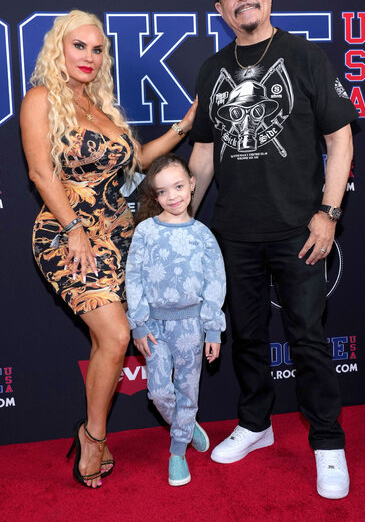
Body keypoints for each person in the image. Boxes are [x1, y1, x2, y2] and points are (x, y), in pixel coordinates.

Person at [189, 0, 357, 500]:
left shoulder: (304, 56)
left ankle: (328, 443)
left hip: (299, 229)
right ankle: (256, 425)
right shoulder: (214, 70)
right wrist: (183, 223)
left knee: (307, 337)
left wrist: (328, 213)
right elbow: (205, 155)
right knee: (249, 337)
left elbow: (339, 139)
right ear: (220, 9)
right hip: (233, 230)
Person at [20, 10, 197, 489]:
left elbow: (135, 162)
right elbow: (40, 172)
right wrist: (74, 228)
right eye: (80, 46)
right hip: (68, 232)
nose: (90, 57)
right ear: (59, 47)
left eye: (98, 50)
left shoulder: (100, 106)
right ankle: (93, 437)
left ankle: (91, 433)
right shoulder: (41, 99)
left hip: (121, 235)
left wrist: (184, 125)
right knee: (117, 335)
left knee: (109, 342)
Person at [125, 154, 226, 486]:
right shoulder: (145, 232)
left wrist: (213, 328)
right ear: (155, 197)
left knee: (188, 389)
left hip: (192, 327)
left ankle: (178, 451)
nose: (173, 196)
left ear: (192, 184)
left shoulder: (203, 235)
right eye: (164, 191)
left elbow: (215, 284)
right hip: (153, 326)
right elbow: (135, 278)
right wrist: (138, 323)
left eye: (179, 186)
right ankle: (187, 423)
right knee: (159, 392)